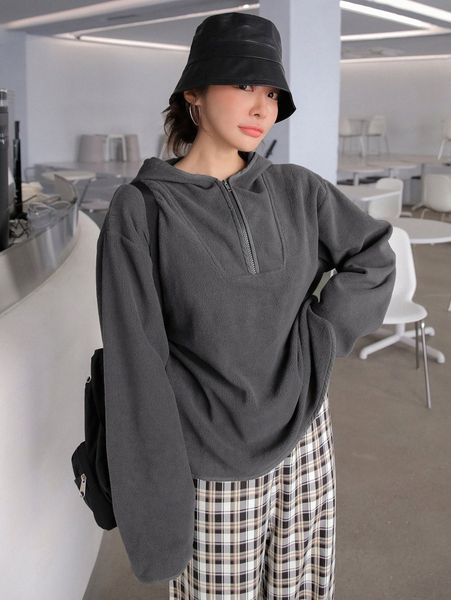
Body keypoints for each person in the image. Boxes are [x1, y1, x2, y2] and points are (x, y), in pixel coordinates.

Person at [95, 11, 396, 599]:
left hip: (306, 442)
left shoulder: (298, 190)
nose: (263, 107)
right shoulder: (141, 211)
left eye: (273, 93)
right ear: (193, 93)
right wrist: (154, 516)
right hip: (212, 463)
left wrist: (321, 334)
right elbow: (136, 369)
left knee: (301, 590)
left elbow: (373, 255)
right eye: (244, 84)